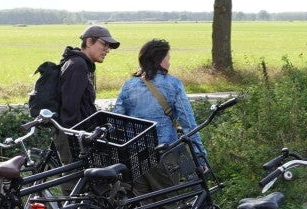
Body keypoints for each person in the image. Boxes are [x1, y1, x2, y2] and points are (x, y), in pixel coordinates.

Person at [112, 38, 206, 172]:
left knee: (139, 187)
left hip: (134, 157)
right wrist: (200, 157)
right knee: (166, 186)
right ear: (160, 60)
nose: (169, 63)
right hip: (164, 153)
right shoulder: (174, 84)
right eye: (168, 58)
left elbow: (116, 121)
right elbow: (188, 122)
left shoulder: (128, 85)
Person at [58, 24, 118, 127]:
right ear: (89, 42)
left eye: (109, 47)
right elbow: (69, 108)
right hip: (75, 133)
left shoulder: (85, 65)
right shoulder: (78, 65)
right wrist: (76, 133)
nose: (107, 50)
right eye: (104, 44)